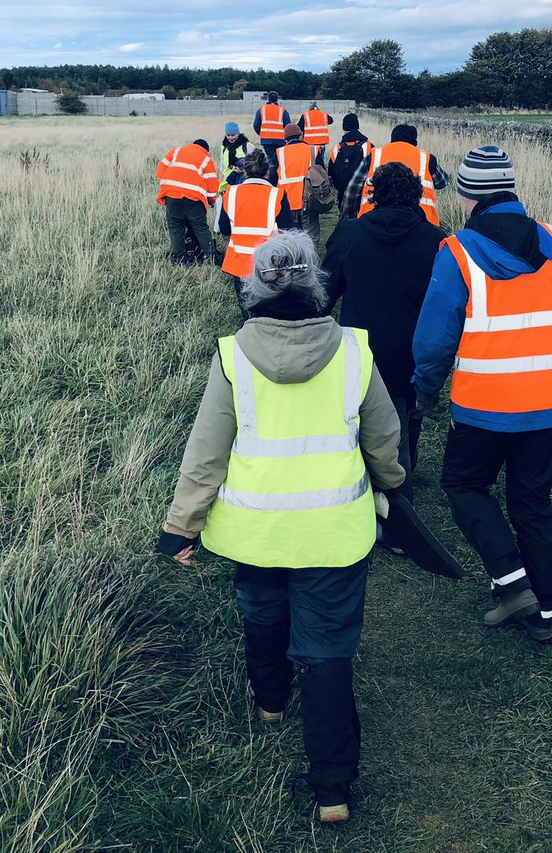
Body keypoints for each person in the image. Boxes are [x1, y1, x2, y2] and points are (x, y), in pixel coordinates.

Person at [156, 231, 405, 823]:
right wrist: (391, 484)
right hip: (334, 534)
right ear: (316, 283)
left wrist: (181, 527)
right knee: (326, 652)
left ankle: (270, 703)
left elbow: (206, 453)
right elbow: (385, 438)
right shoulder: (353, 352)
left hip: (256, 532)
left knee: (263, 612)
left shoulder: (233, 357)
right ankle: (333, 788)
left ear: (252, 288)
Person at [412, 146, 552, 642]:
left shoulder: (458, 252)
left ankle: (512, 584)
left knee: (464, 486)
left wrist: (425, 390)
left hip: (484, 406)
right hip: (546, 402)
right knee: (532, 503)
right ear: (511, 189)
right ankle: (544, 613)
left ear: (467, 195)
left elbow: (433, 341)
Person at [323, 162, 444, 501]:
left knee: (360, 427)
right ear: (417, 196)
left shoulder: (350, 234)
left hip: (360, 354)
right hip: (414, 355)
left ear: (374, 193)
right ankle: (399, 509)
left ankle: (362, 500)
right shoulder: (437, 241)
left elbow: (322, 295)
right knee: (405, 426)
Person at [218, 150, 292, 314]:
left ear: (244, 171)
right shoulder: (277, 195)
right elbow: (288, 231)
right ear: (267, 171)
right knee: (269, 307)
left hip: (239, 262)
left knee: (247, 306)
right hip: (270, 263)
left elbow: (223, 228)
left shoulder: (231, 193)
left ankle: (249, 331)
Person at [342, 123, 448, 226]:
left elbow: (352, 191)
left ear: (391, 141)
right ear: (415, 142)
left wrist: (350, 219)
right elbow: (442, 182)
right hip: (421, 223)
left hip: (373, 221)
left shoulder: (374, 156)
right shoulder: (426, 158)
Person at [155, 137, 219, 264]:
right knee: (200, 228)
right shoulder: (206, 159)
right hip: (193, 199)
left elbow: (160, 171)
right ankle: (212, 257)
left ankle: (178, 259)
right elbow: (212, 188)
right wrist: (210, 201)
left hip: (171, 195)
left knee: (175, 227)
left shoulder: (176, 151)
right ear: (206, 150)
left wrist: (173, 183)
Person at [328, 114, 372, 208]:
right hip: (362, 193)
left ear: (344, 128)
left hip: (342, 193)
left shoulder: (337, 147)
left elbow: (331, 172)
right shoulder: (368, 146)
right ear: (357, 126)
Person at [252, 91, 291, 177]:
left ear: (268, 98)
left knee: (271, 162)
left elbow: (256, 125)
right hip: (281, 141)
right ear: (277, 99)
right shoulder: (283, 111)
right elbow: (288, 125)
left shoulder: (261, 110)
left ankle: (272, 180)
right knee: (280, 161)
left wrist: (262, 134)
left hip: (267, 141)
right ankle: (280, 178)